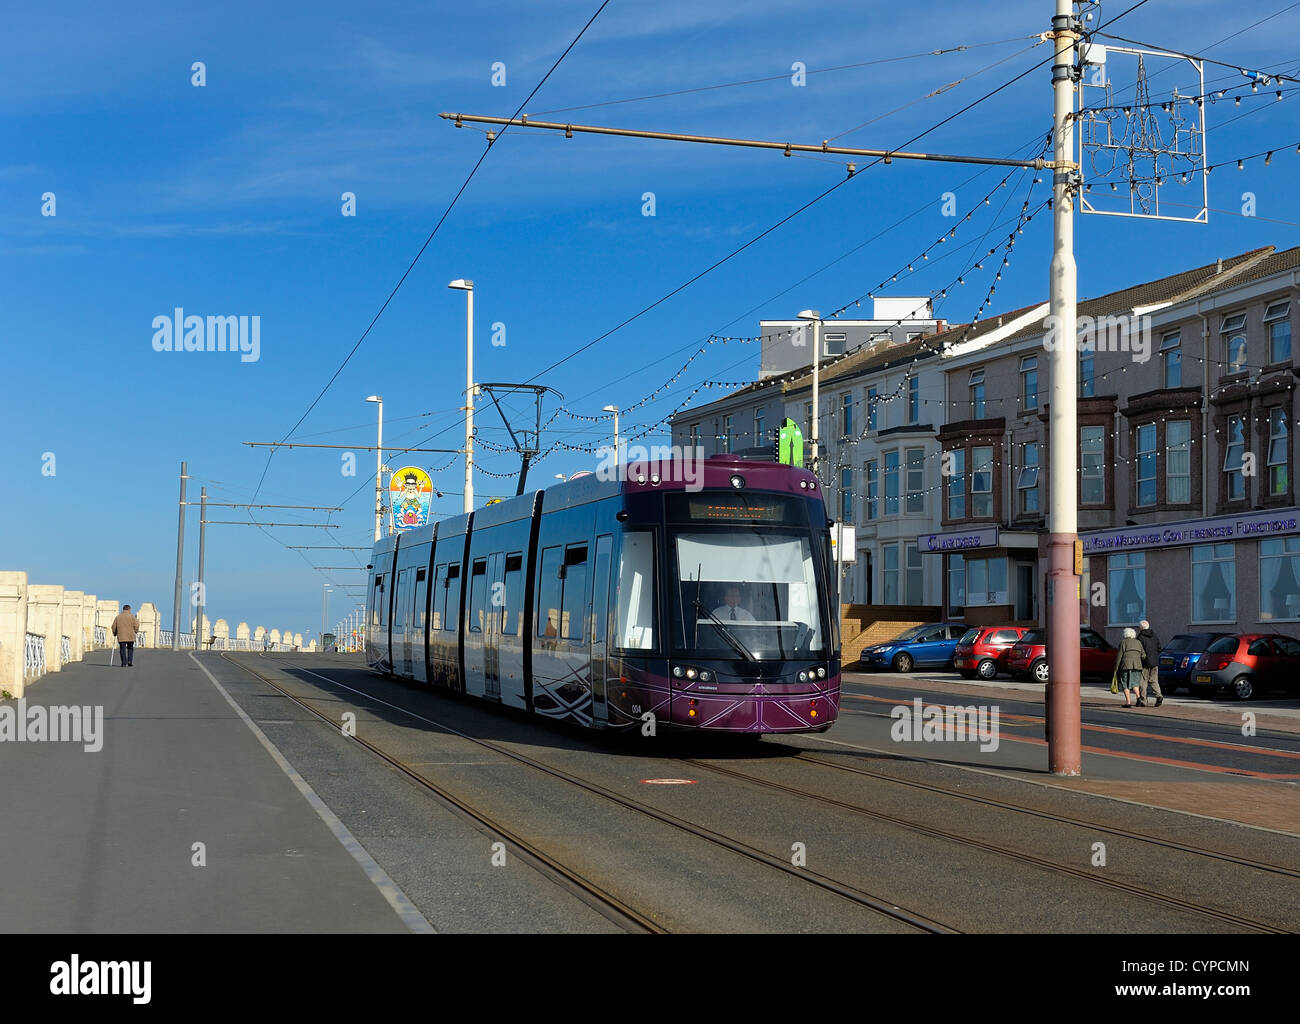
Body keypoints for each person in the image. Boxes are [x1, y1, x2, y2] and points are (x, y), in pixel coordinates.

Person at [1113, 627, 1146, 708]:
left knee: (1125, 684)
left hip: (1125, 666)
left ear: (1125, 634)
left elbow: (1119, 656)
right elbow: (1144, 655)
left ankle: (1128, 703)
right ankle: (1138, 699)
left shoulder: (1123, 642)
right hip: (1137, 666)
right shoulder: (1138, 642)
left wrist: (1116, 668)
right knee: (1135, 683)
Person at [1136, 619, 1164, 708]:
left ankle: (1143, 700)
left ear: (1140, 627)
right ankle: (1159, 695)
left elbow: (1139, 651)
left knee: (1142, 682)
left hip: (1144, 662)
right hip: (1154, 662)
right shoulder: (1154, 635)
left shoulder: (1140, 637)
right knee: (1154, 680)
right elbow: (1159, 648)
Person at [111, 603, 139, 668]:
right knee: (130, 648)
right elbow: (136, 625)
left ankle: (124, 663)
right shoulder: (132, 617)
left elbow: (113, 626)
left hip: (121, 635)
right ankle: (129, 661)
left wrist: (114, 633)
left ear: (123, 609)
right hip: (130, 636)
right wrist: (136, 631)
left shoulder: (118, 617)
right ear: (129, 609)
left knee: (122, 649)